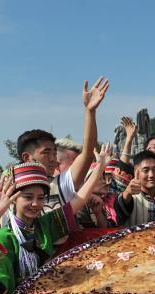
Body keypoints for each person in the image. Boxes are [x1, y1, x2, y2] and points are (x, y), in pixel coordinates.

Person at [17, 76, 110, 211]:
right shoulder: (9, 191)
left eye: (54, 153)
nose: (53, 159)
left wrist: (90, 111)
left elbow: (87, 153)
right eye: (46, 153)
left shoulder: (61, 184)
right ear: (27, 158)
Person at [0, 163, 77, 293]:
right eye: (28, 197)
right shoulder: (2, 238)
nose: (35, 203)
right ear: (13, 199)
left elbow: (77, 203)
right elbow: (2, 286)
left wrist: (99, 167)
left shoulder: (44, 225)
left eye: (41, 198)